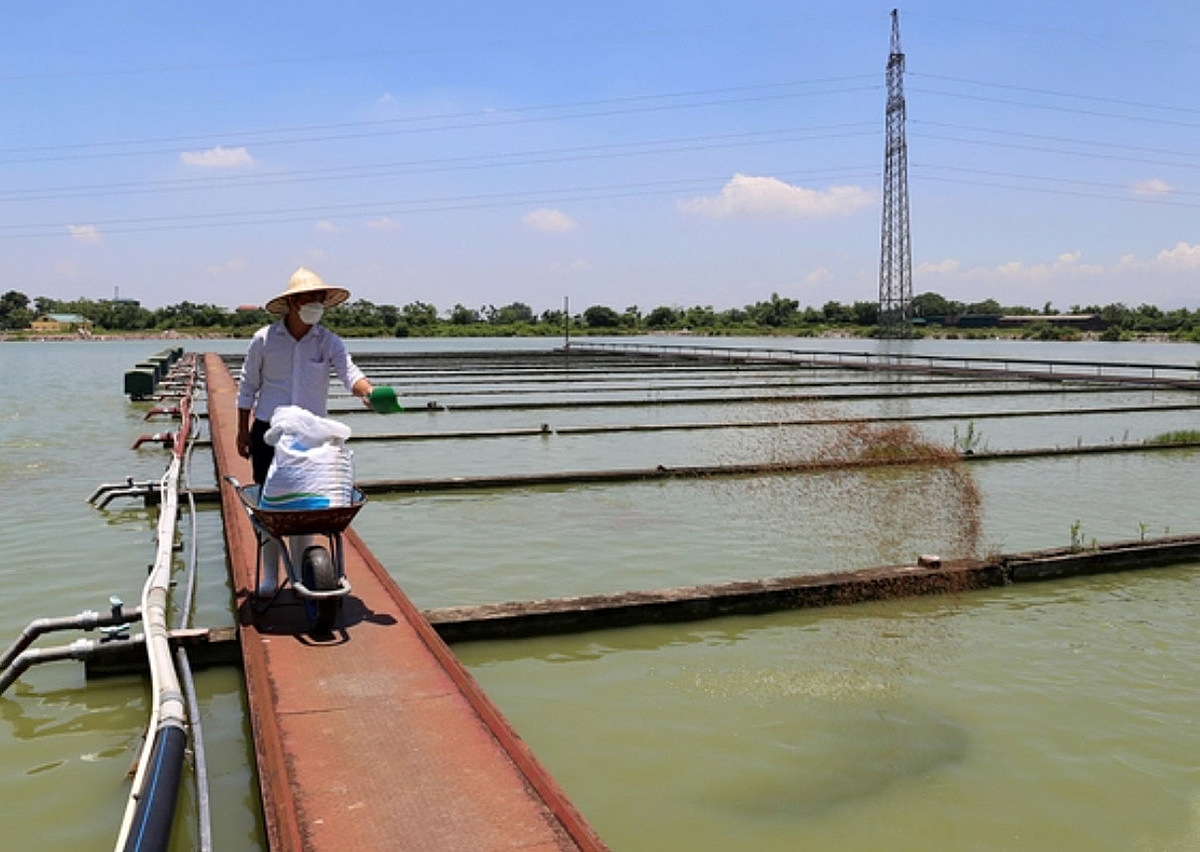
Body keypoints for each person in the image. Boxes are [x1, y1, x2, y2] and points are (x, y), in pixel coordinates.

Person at [236, 266, 376, 486]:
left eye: (320, 298)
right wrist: (243, 431)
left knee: (311, 493)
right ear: (292, 302)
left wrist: (368, 391)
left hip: (313, 433)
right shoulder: (264, 340)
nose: (316, 303)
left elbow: (349, 373)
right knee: (268, 493)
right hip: (268, 430)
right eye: (310, 297)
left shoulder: (327, 341)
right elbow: (248, 386)